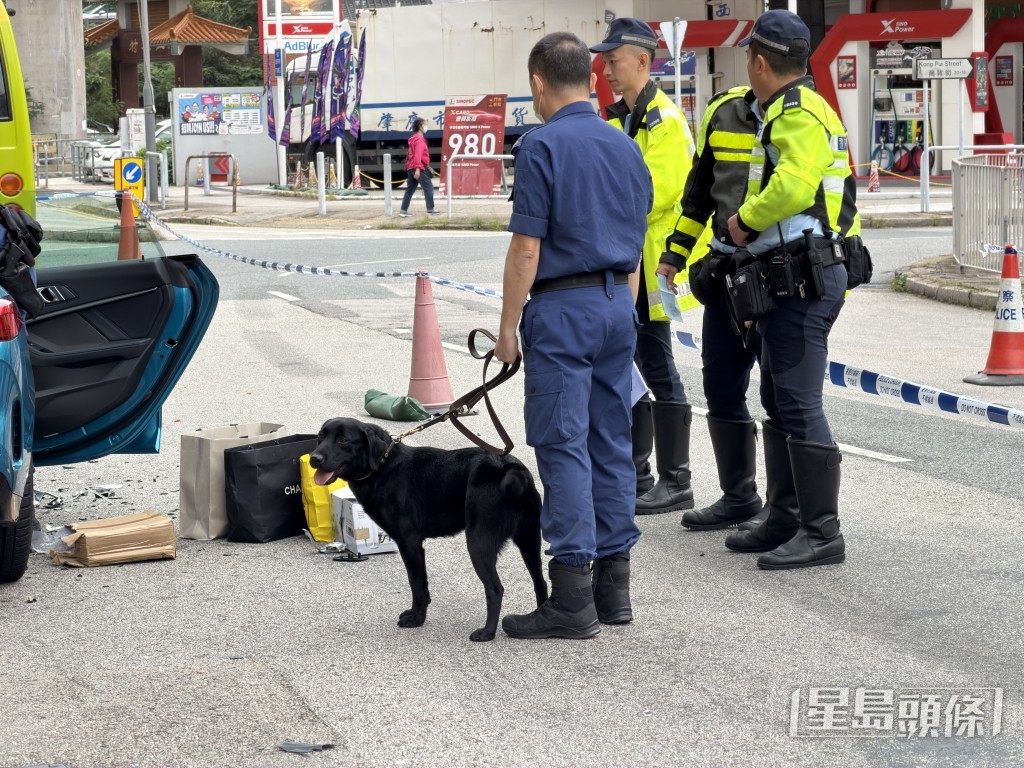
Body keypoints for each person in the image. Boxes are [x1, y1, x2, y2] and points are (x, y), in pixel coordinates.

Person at [493, 31, 652, 639]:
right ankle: (615, 593)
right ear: (589, 79)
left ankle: (572, 599)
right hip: (618, 305)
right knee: (611, 443)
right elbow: (635, 246)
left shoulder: (541, 146)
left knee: (563, 446)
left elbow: (526, 249)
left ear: (538, 83)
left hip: (563, 309)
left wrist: (508, 329)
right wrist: (621, 313)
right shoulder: (624, 146)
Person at [727, 10, 860, 569]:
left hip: (806, 276)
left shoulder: (797, 110)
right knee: (779, 396)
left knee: (800, 400)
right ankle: (785, 516)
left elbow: (795, 186)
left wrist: (743, 221)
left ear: (759, 61)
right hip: (786, 275)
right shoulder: (788, 108)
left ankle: (822, 530)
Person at [592, 19, 699, 517]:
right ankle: (638, 473)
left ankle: (677, 480)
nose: (606, 69)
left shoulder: (665, 121)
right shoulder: (619, 118)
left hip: (656, 269)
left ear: (641, 61)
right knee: (626, 366)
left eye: (613, 60)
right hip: (623, 263)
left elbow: (653, 193)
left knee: (655, 364)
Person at [658, 85, 767, 533]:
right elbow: (699, 196)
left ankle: (787, 513)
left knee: (783, 398)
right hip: (726, 276)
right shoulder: (723, 111)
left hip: (778, 279)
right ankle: (740, 497)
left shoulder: (805, 115)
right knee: (720, 386)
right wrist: (674, 254)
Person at [399, 117, 438, 217]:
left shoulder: (413, 139)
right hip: (419, 167)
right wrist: (418, 169)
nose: (426, 126)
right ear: (420, 127)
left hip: (410, 167)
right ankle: (430, 209)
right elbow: (418, 156)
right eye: (425, 124)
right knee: (428, 187)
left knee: (410, 189)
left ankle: (403, 210)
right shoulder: (419, 140)